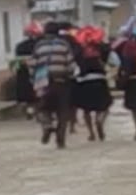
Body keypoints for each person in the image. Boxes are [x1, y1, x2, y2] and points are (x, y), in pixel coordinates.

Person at [29, 19, 79, 149]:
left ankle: (47, 125)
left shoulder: (39, 46)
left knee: (41, 108)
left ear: (45, 32)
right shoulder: (64, 44)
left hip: (43, 84)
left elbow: (32, 65)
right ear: (58, 32)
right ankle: (60, 140)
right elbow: (71, 64)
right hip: (61, 81)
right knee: (63, 112)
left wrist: (33, 80)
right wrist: (70, 76)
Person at [71, 25, 115, 141]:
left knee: (86, 109)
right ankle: (99, 121)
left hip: (84, 81)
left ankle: (91, 133)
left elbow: (73, 62)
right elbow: (112, 60)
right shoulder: (102, 48)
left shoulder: (78, 50)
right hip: (100, 79)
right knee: (105, 105)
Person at [11, 22, 42, 117]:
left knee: (26, 93)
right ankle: (36, 110)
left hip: (24, 73)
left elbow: (17, 61)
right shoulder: (40, 45)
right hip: (38, 72)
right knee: (38, 92)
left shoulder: (20, 46)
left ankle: (29, 110)